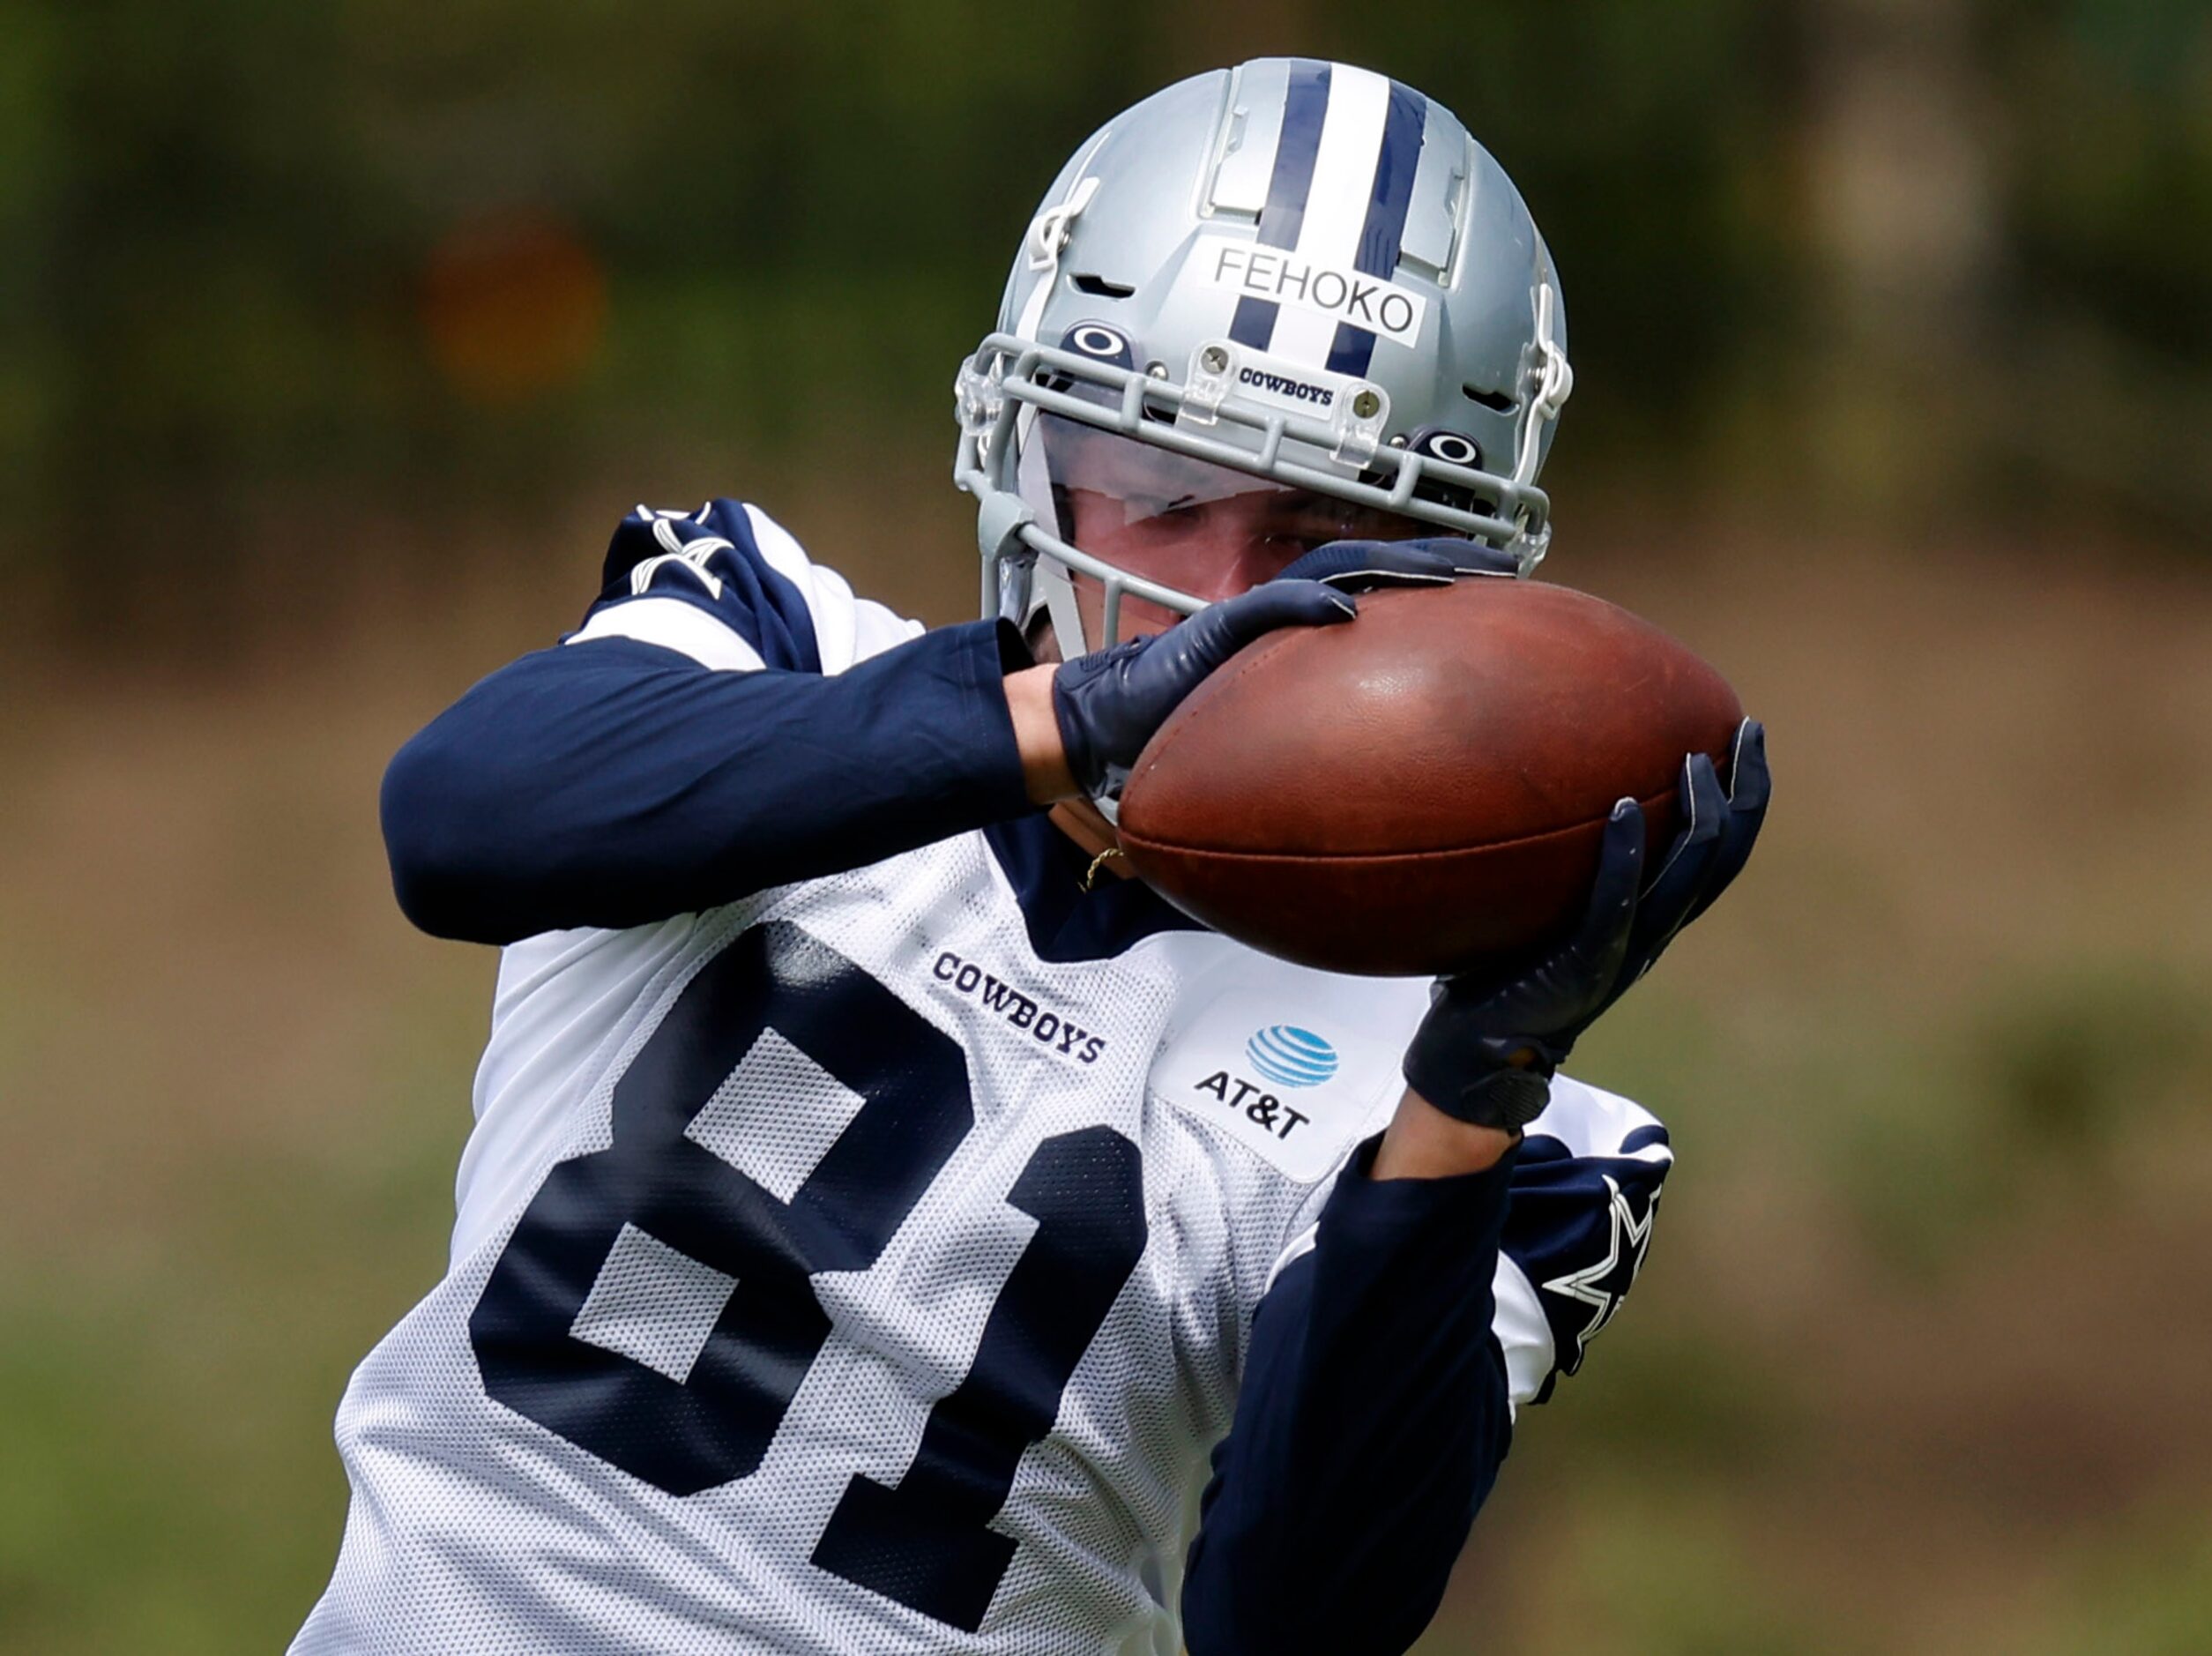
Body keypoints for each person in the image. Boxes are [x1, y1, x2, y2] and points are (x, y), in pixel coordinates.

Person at [293, 57, 1767, 1656]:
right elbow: (454, 824)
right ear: (1025, 446)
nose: (1212, 596)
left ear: (1462, 585)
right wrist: (1056, 715)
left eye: (1318, 534)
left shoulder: (1518, 1128)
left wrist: (1465, 1100)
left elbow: (1292, 1616)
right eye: (1154, 488)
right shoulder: (772, 643)